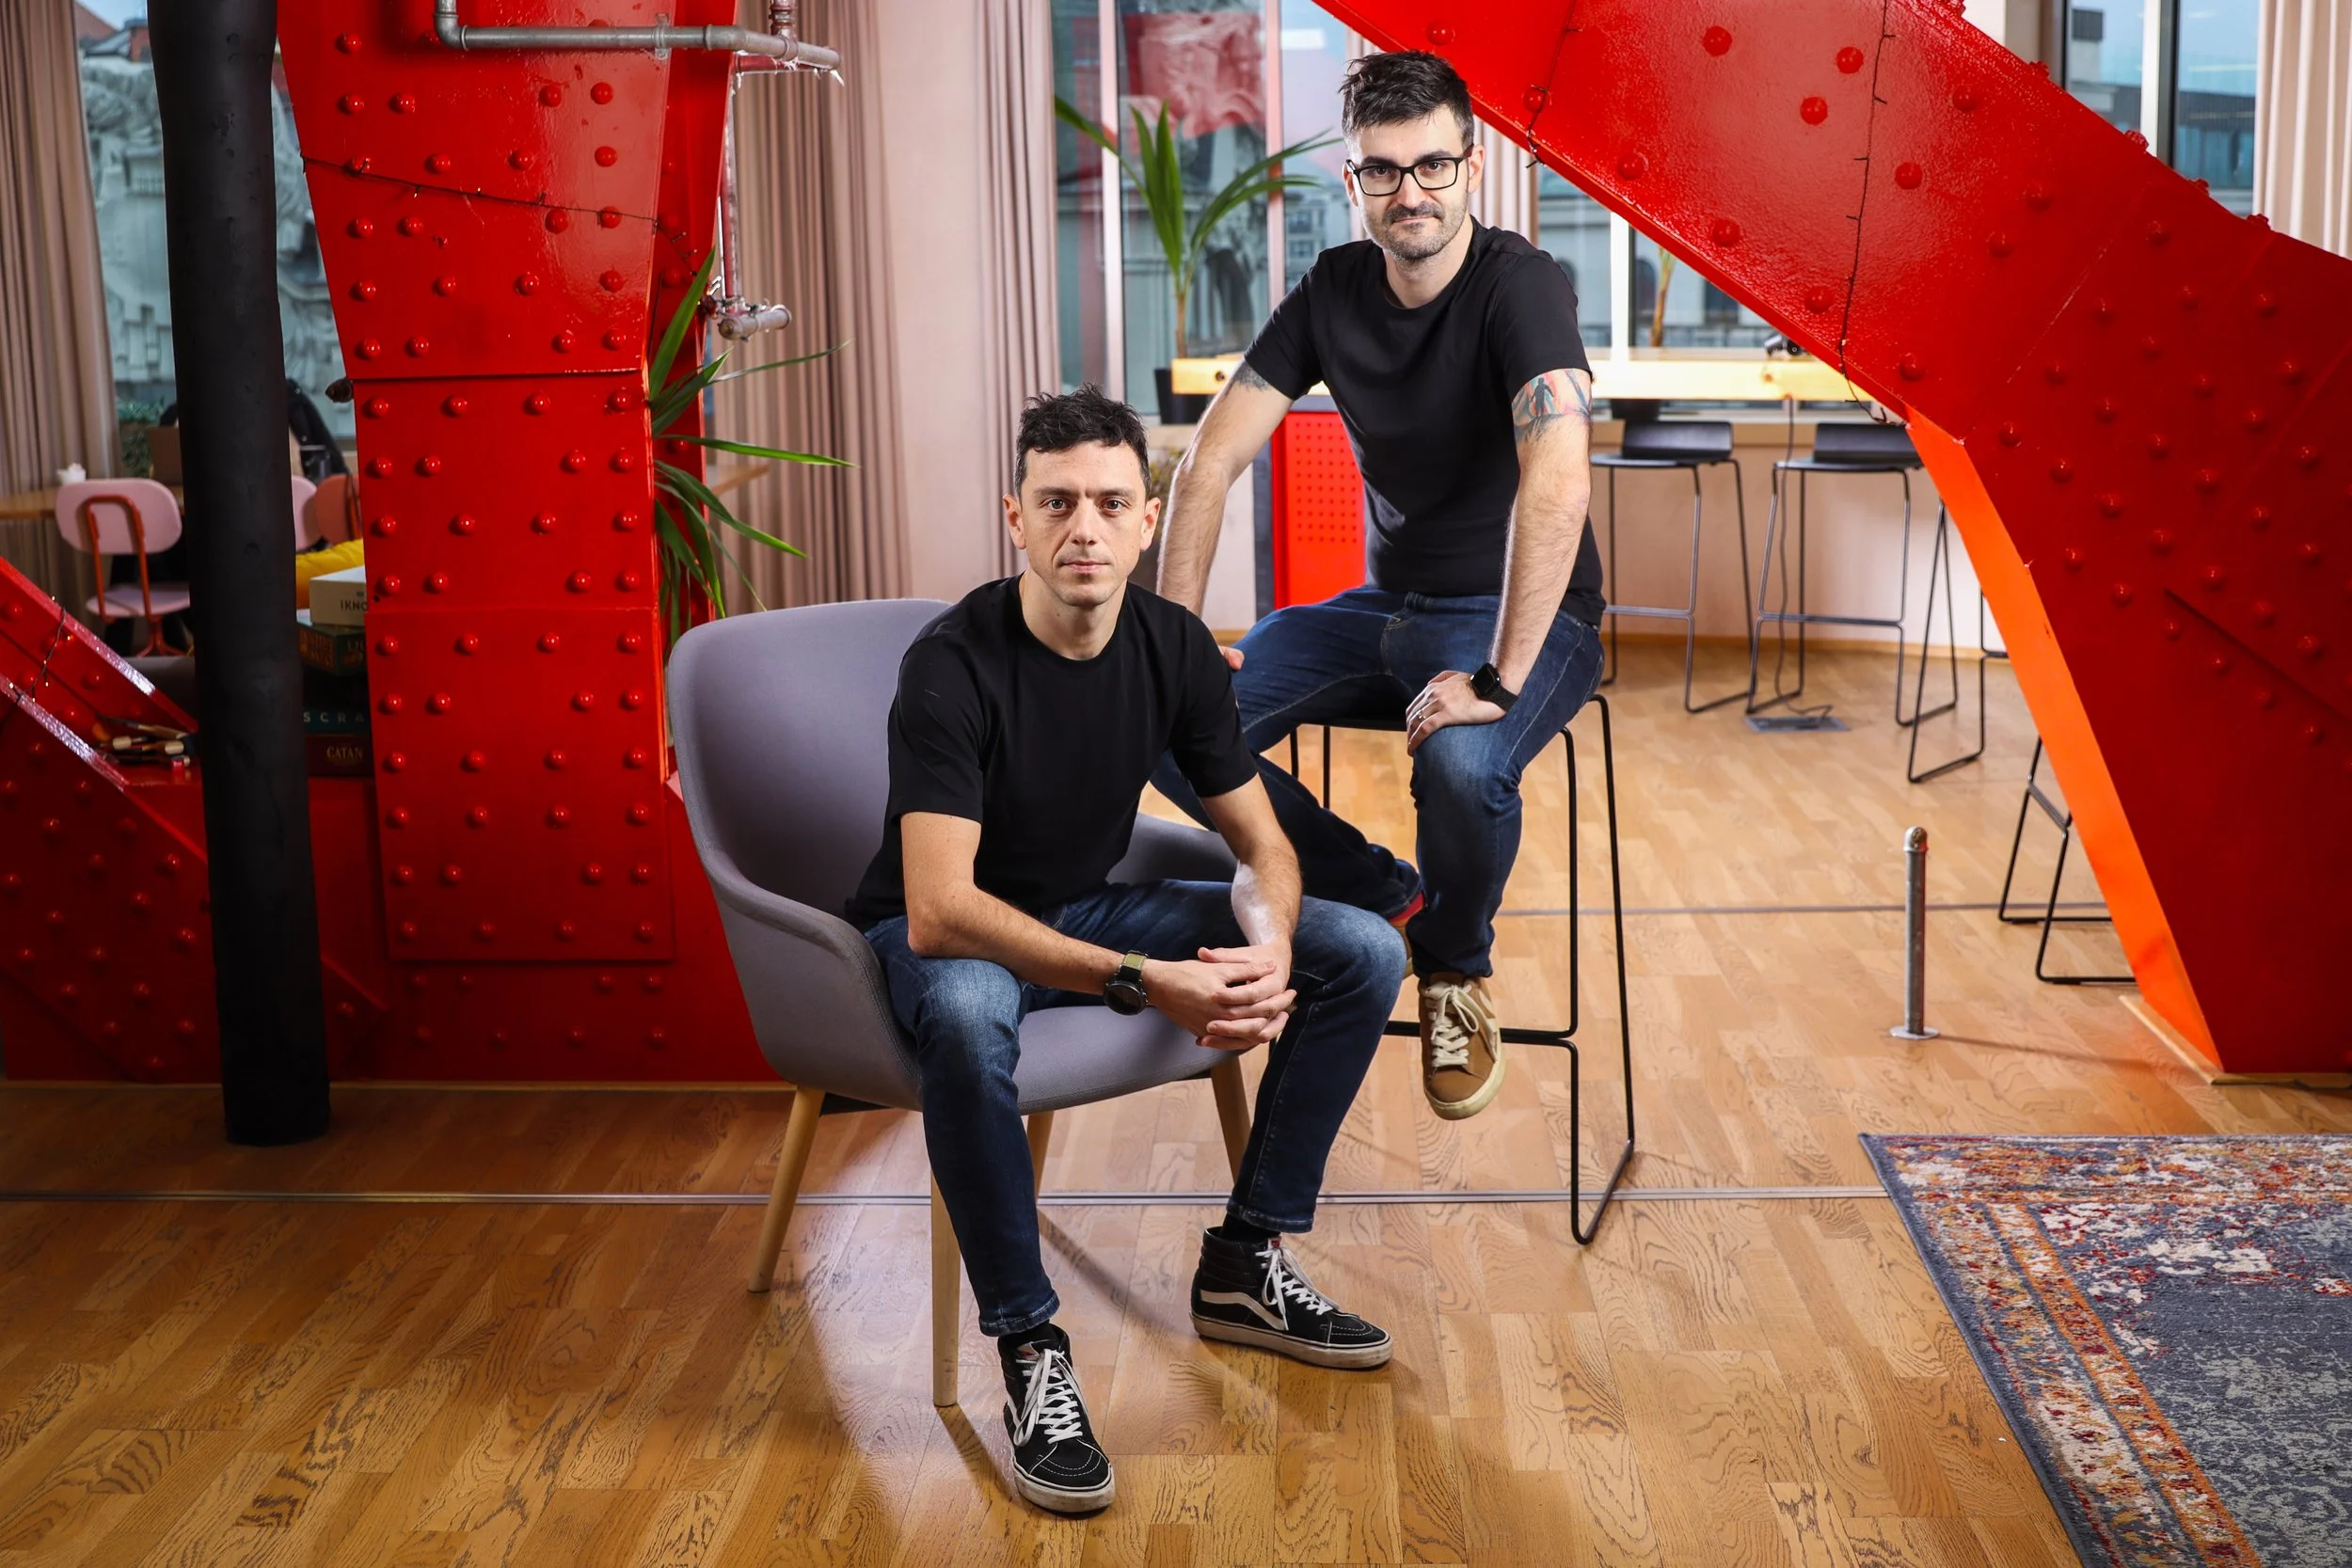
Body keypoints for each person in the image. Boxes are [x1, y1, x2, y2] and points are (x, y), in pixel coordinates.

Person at [849, 388, 1409, 1516]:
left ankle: (1246, 1260)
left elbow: (1261, 840)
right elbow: (938, 910)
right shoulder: (951, 663)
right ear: (1014, 516)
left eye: (1110, 503)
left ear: (1148, 520)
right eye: (1056, 503)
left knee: (1354, 948)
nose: (1083, 530)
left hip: (1081, 908)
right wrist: (1150, 981)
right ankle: (1029, 1345)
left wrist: (1264, 945)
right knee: (965, 1008)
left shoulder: (1171, 646)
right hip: (944, 936)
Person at [1153, 50, 1602, 1124]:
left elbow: (1557, 474)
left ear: (1471, 169)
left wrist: (1497, 673)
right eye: (1384, 171)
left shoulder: (1520, 284)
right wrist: (1167, 642)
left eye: (1434, 166)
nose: (1412, 192)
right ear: (1352, 183)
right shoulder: (1332, 290)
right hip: (1382, 610)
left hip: (1525, 621)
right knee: (1160, 724)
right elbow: (1209, 461)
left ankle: (1452, 965)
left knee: (1460, 758)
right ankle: (1377, 887)